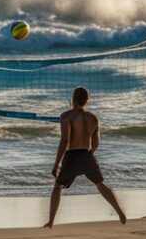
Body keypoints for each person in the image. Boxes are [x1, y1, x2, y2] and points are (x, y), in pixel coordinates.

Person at [44, 86, 127, 228]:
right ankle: (120, 211)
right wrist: (89, 156)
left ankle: (51, 222)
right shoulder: (93, 118)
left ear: (73, 100)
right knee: (101, 184)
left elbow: (65, 141)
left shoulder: (66, 116)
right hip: (87, 155)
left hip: (72, 156)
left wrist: (56, 163)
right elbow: (96, 143)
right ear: (86, 101)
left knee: (58, 186)